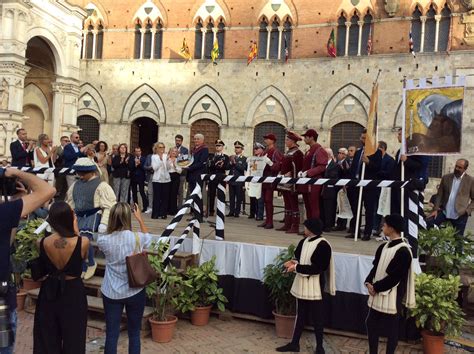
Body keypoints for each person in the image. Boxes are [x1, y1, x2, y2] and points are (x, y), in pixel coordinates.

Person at [0, 168, 55, 354]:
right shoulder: (4, 213)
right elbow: (48, 190)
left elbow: (6, 243)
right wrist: (12, 171)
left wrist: (13, 204)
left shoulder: (5, 214)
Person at [33, 202, 89, 354]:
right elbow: (82, 260)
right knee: (74, 337)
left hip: (49, 291)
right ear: (69, 219)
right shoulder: (82, 242)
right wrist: (75, 229)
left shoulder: (42, 242)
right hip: (73, 292)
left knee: (47, 336)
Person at [98, 202, 153, 354]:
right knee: (134, 333)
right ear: (128, 218)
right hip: (134, 289)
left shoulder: (104, 241)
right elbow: (148, 238)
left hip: (111, 291)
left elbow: (102, 232)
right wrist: (140, 219)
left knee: (112, 333)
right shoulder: (137, 238)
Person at [276, 218, 335, 353]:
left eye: (306, 227)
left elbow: (318, 268)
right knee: (300, 314)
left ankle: (320, 347)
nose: (304, 229)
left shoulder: (323, 245)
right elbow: (299, 258)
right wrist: (292, 262)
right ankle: (295, 343)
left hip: (315, 285)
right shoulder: (304, 241)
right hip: (302, 284)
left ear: (312, 229)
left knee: (317, 317)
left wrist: (296, 267)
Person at [364, 214, 415, 354]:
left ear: (391, 229)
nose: (382, 227)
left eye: (384, 225)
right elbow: (375, 267)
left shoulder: (404, 251)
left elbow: (395, 277)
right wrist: (368, 282)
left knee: (392, 329)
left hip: (393, 294)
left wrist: (376, 287)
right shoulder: (383, 247)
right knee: (371, 323)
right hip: (377, 291)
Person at [66, 158, 116, 280]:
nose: (80, 176)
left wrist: (104, 223)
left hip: (93, 215)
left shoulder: (102, 185)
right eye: (79, 173)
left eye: (83, 173)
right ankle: (83, 266)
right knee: (77, 241)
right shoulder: (75, 185)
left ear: (91, 171)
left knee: (85, 239)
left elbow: (109, 206)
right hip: (78, 216)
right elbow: (70, 203)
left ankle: (91, 263)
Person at [347, 129, 382, 241]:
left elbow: (378, 168)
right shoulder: (358, 152)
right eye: (361, 138)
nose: (362, 140)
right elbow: (353, 169)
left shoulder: (376, 152)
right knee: (355, 208)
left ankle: (367, 232)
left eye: (364, 138)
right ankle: (355, 230)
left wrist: (369, 162)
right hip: (356, 185)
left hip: (369, 186)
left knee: (369, 209)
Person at [430, 158, 473, 236]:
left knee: (458, 239)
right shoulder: (446, 177)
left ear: (465, 169)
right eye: (456, 166)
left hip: (460, 214)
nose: (456, 169)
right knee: (428, 223)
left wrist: (467, 211)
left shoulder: (470, 181)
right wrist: (435, 209)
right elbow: (439, 194)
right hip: (444, 211)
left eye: (460, 167)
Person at [391, 128, 424, 215]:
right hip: (397, 185)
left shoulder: (413, 149)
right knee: (396, 210)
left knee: (404, 211)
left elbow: (419, 165)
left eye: (399, 134)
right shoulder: (400, 150)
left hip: (406, 185)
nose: (397, 136)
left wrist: (407, 160)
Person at [276, 132, 303, 234]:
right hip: (284, 182)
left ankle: (295, 226)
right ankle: (287, 224)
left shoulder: (298, 153)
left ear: (292, 141)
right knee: (287, 204)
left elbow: (299, 167)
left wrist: (291, 174)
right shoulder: (288, 152)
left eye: (287, 140)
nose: (286, 142)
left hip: (292, 183)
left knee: (293, 204)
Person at [299, 129, 328, 223]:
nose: (304, 139)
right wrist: (301, 172)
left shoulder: (319, 150)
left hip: (314, 182)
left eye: (306, 137)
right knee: (308, 206)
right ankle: (309, 227)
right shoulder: (309, 150)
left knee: (314, 206)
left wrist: (308, 172)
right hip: (306, 182)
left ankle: (314, 228)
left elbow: (322, 166)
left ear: (311, 137)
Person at [259, 133, 283, 229]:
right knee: (265, 200)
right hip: (264, 177)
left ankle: (270, 221)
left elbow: (278, 165)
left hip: (270, 178)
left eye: (267, 139)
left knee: (269, 200)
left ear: (272, 140)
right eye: (265, 139)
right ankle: (267, 220)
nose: (266, 140)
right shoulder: (265, 151)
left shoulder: (275, 152)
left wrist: (270, 163)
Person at [373, 141, 395, 237]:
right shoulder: (375, 159)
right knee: (375, 208)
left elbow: (389, 173)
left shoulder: (390, 160)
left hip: (385, 188)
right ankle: (375, 227)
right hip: (376, 187)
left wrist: (377, 171)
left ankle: (382, 228)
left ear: (381, 149)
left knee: (383, 209)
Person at [185, 134, 209, 221]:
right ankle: (196, 214)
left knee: (198, 195)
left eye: (198, 139)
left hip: (198, 175)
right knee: (193, 195)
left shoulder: (204, 150)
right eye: (194, 139)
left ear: (202, 140)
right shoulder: (193, 150)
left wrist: (190, 167)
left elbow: (201, 162)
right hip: (191, 175)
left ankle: (199, 216)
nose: (196, 140)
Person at [321, 148, 341, 232]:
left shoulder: (335, 165)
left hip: (330, 190)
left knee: (329, 209)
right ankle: (322, 224)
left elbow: (334, 176)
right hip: (322, 190)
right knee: (322, 208)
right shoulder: (322, 164)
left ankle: (329, 225)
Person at [207, 139, 229, 217]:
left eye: (219, 146)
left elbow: (227, 167)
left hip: (221, 177)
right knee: (211, 194)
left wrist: (220, 165)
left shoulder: (225, 157)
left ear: (222, 147)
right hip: (213, 176)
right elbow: (209, 166)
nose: (218, 147)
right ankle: (211, 210)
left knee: (221, 194)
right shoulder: (211, 156)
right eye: (216, 146)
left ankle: (221, 210)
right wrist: (216, 164)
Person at [246, 143, 266, 221]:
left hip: (260, 181)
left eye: (257, 149)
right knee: (252, 197)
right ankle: (252, 213)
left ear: (261, 150)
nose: (255, 150)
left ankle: (259, 215)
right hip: (253, 180)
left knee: (259, 199)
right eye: (255, 149)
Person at [151, 142, 171, 219]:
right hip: (157, 179)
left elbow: (168, 168)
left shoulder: (166, 156)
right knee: (156, 197)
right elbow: (155, 168)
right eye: (160, 147)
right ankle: (155, 214)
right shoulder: (154, 157)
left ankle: (163, 214)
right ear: (156, 148)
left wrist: (168, 161)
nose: (162, 149)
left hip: (166, 179)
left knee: (165, 197)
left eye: (163, 147)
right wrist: (160, 160)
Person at [228, 141, 247, 217]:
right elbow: (227, 167)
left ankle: (237, 212)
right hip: (231, 179)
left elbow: (243, 168)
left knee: (239, 197)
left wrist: (235, 163)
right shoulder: (232, 157)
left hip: (239, 180)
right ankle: (231, 211)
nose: (236, 149)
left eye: (238, 148)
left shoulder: (244, 159)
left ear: (242, 149)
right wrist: (230, 163)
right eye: (235, 147)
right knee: (231, 197)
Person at [129, 147, 149, 213]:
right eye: (136, 151)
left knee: (142, 192)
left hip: (141, 177)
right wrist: (135, 165)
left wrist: (139, 164)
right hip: (133, 178)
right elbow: (130, 168)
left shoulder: (144, 158)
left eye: (139, 151)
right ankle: (135, 207)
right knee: (134, 193)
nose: (137, 153)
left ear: (141, 152)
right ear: (134, 152)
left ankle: (145, 206)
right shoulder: (132, 158)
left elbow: (144, 168)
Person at [54, 136, 71, 201]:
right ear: (61, 141)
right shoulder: (57, 149)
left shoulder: (70, 149)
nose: (67, 142)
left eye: (68, 141)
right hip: (59, 169)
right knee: (59, 186)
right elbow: (55, 159)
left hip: (68, 169)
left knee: (66, 186)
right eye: (65, 141)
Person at [167, 147, 183, 215]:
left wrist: (174, 164)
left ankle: (173, 210)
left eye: (175, 151)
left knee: (174, 193)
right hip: (167, 176)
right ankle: (166, 209)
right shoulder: (167, 159)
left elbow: (180, 171)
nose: (173, 152)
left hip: (176, 176)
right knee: (167, 193)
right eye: (172, 151)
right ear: (170, 152)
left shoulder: (178, 160)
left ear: (177, 153)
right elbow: (165, 168)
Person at [175, 134, 189, 208]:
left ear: (182, 141)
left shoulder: (185, 150)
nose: (177, 142)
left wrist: (179, 155)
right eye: (176, 140)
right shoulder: (173, 149)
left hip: (182, 173)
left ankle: (180, 206)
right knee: (174, 190)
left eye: (179, 141)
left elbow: (186, 160)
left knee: (180, 190)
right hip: (174, 173)